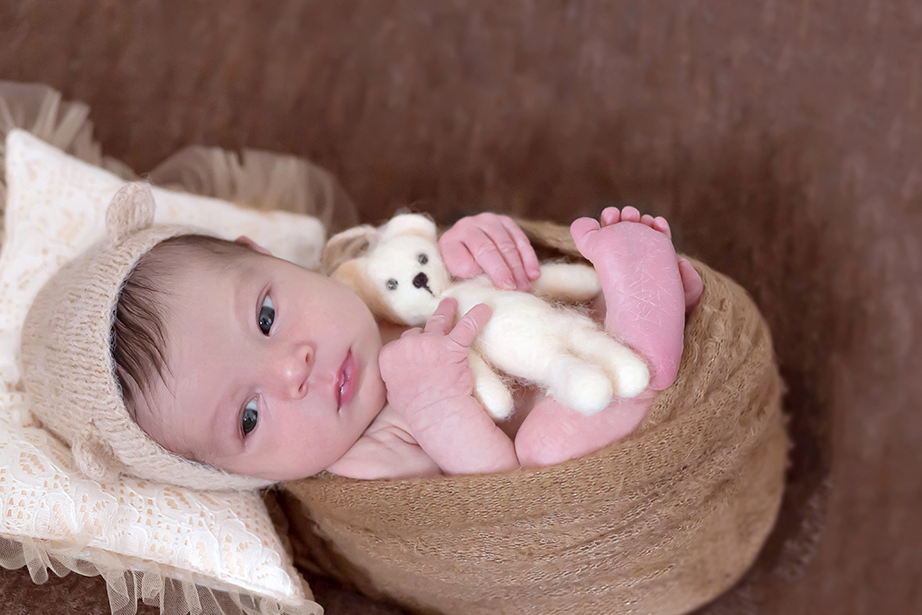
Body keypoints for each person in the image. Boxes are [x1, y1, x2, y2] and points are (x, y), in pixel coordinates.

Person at [109, 204, 703, 483]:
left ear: (268, 257)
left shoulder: (374, 284)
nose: (293, 369)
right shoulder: (361, 459)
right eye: (248, 415)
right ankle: (646, 323)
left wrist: (478, 243)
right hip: (579, 416)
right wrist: (436, 404)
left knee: (571, 307)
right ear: (234, 476)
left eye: (266, 316)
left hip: (566, 339)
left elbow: (506, 287)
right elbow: (496, 495)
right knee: (546, 446)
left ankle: (634, 302)